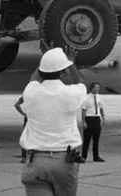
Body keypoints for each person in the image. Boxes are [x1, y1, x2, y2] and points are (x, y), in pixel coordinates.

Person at [19, 47, 87, 196]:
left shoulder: (31, 92)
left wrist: (46, 58)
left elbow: (34, 78)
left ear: (41, 71)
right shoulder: (70, 93)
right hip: (64, 162)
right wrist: (71, 63)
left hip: (35, 162)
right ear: (63, 73)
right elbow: (81, 83)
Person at [80, 82, 106, 162]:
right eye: (97, 87)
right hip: (89, 118)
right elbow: (83, 110)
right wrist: (84, 122)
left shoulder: (99, 97)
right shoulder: (86, 98)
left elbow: (101, 108)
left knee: (96, 139)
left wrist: (103, 117)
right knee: (87, 139)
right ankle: (83, 156)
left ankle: (96, 156)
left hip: (96, 118)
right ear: (92, 88)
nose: (98, 89)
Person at [15, 95, 28, 163]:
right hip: (36, 117)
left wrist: (23, 113)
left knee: (25, 136)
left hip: (28, 117)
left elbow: (17, 105)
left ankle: (24, 157)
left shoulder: (26, 95)